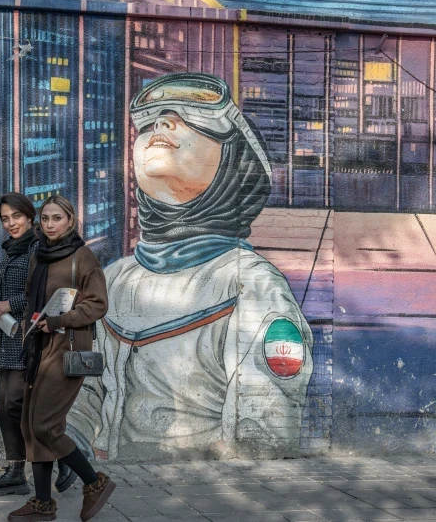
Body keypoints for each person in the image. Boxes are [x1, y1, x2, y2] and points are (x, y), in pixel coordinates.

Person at [67, 73, 314, 462]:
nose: (162, 123)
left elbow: (264, 434)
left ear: (234, 162)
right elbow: (81, 388)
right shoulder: (113, 280)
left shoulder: (251, 285)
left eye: (189, 118)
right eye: (150, 123)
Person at [8, 195, 115, 522]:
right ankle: (42, 503)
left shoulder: (82, 257)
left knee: (45, 425)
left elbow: (97, 304)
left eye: (57, 218)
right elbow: (31, 299)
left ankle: (94, 481)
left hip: (66, 350)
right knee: (30, 425)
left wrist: (57, 320)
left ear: (70, 221)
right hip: (38, 348)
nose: (50, 224)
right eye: (45, 219)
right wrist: (29, 324)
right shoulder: (40, 257)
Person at [0, 194, 78, 496]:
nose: (10, 224)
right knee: (6, 407)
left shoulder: (39, 249)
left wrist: (11, 303)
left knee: (23, 407)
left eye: (16, 217)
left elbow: (49, 294)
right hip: (10, 338)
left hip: (33, 340)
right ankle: (15, 472)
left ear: (30, 216)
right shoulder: (11, 251)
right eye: (5, 219)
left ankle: (66, 453)